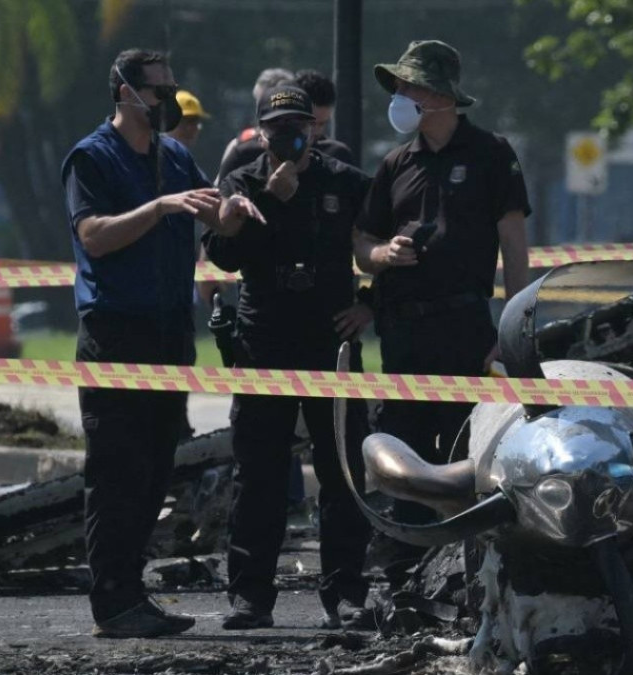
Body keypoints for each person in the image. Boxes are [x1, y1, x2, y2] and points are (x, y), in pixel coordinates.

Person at [61, 48, 261, 638]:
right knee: (117, 472)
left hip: (169, 334)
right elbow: (93, 237)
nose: (168, 101)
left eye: (173, 88)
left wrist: (239, 205)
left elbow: (216, 219)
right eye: (157, 91)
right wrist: (158, 207)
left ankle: (133, 595)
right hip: (115, 334)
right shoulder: (90, 158)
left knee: (153, 471)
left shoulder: (175, 156)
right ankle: (113, 603)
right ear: (124, 92)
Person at [354, 40, 530, 567]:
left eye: (409, 88)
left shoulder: (492, 154)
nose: (401, 97)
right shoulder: (394, 164)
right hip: (403, 334)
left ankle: (464, 573)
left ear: (439, 96)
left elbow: (514, 249)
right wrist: (384, 253)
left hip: (464, 327)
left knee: (465, 454)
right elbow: (362, 244)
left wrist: (513, 329)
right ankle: (403, 576)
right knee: (402, 457)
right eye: (400, 88)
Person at [203, 85, 374, 630]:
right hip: (264, 340)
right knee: (259, 473)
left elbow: (385, 246)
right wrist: (269, 201)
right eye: (277, 127)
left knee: (342, 471)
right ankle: (251, 596)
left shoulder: (345, 180)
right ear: (261, 130)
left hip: (330, 337)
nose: (289, 135)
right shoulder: (242, 182)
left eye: (298, 124)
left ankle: (345, 593)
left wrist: (370, 304)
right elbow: (222, 258)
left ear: (315, 128)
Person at [219, 69, 354, 180]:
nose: (315, 132)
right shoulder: (245, 154)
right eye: (305, 124)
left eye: (321, 124)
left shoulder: (338, 155)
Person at [216, 67, 294, 184]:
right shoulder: (240, 147)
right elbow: (219, 191)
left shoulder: (311, 150)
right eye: (258, 103)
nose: (259, 111)